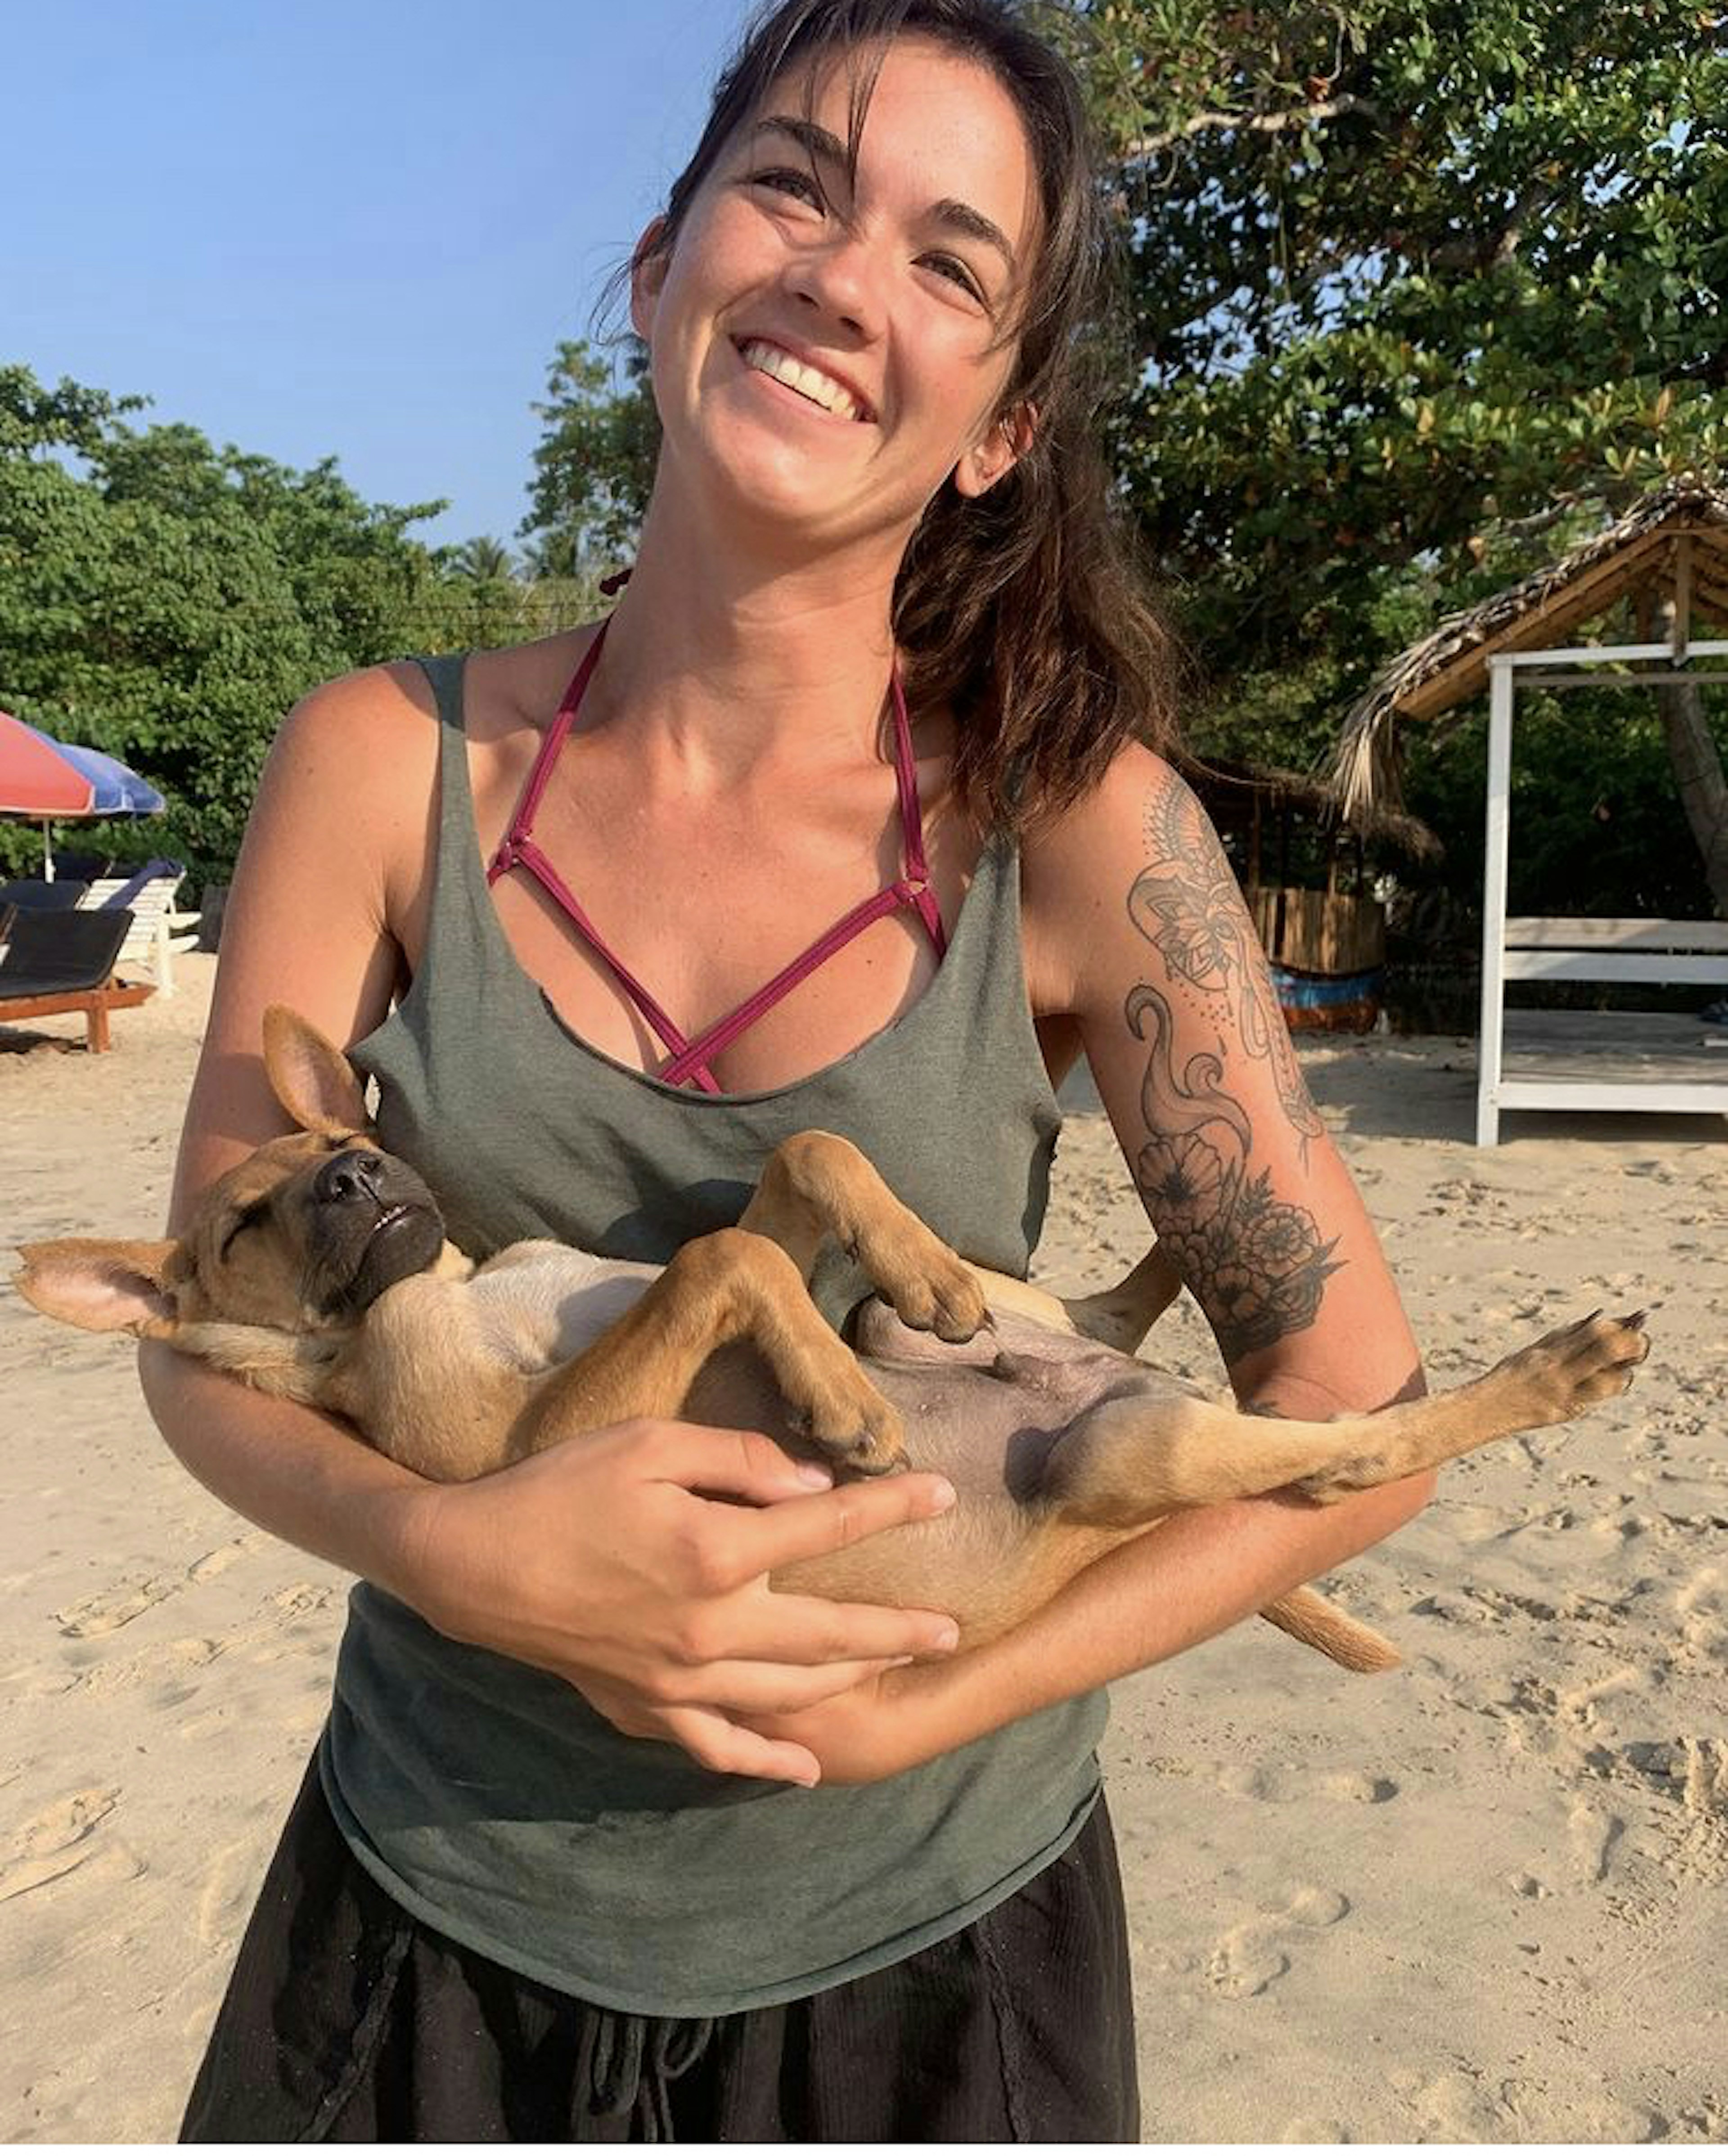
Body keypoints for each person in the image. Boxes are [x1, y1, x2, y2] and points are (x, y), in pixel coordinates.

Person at [145, 0, 1431, 2138]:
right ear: (663, 267)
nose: (845, 279)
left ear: (1004, 421)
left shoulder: (1085, 823)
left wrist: (927, 1713)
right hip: (432, 1917)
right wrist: (456, 1557)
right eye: (793, 185)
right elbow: (208, 1336)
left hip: (930, 1968)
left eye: (949, 260)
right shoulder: (374, 764)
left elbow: (1361, 1431)